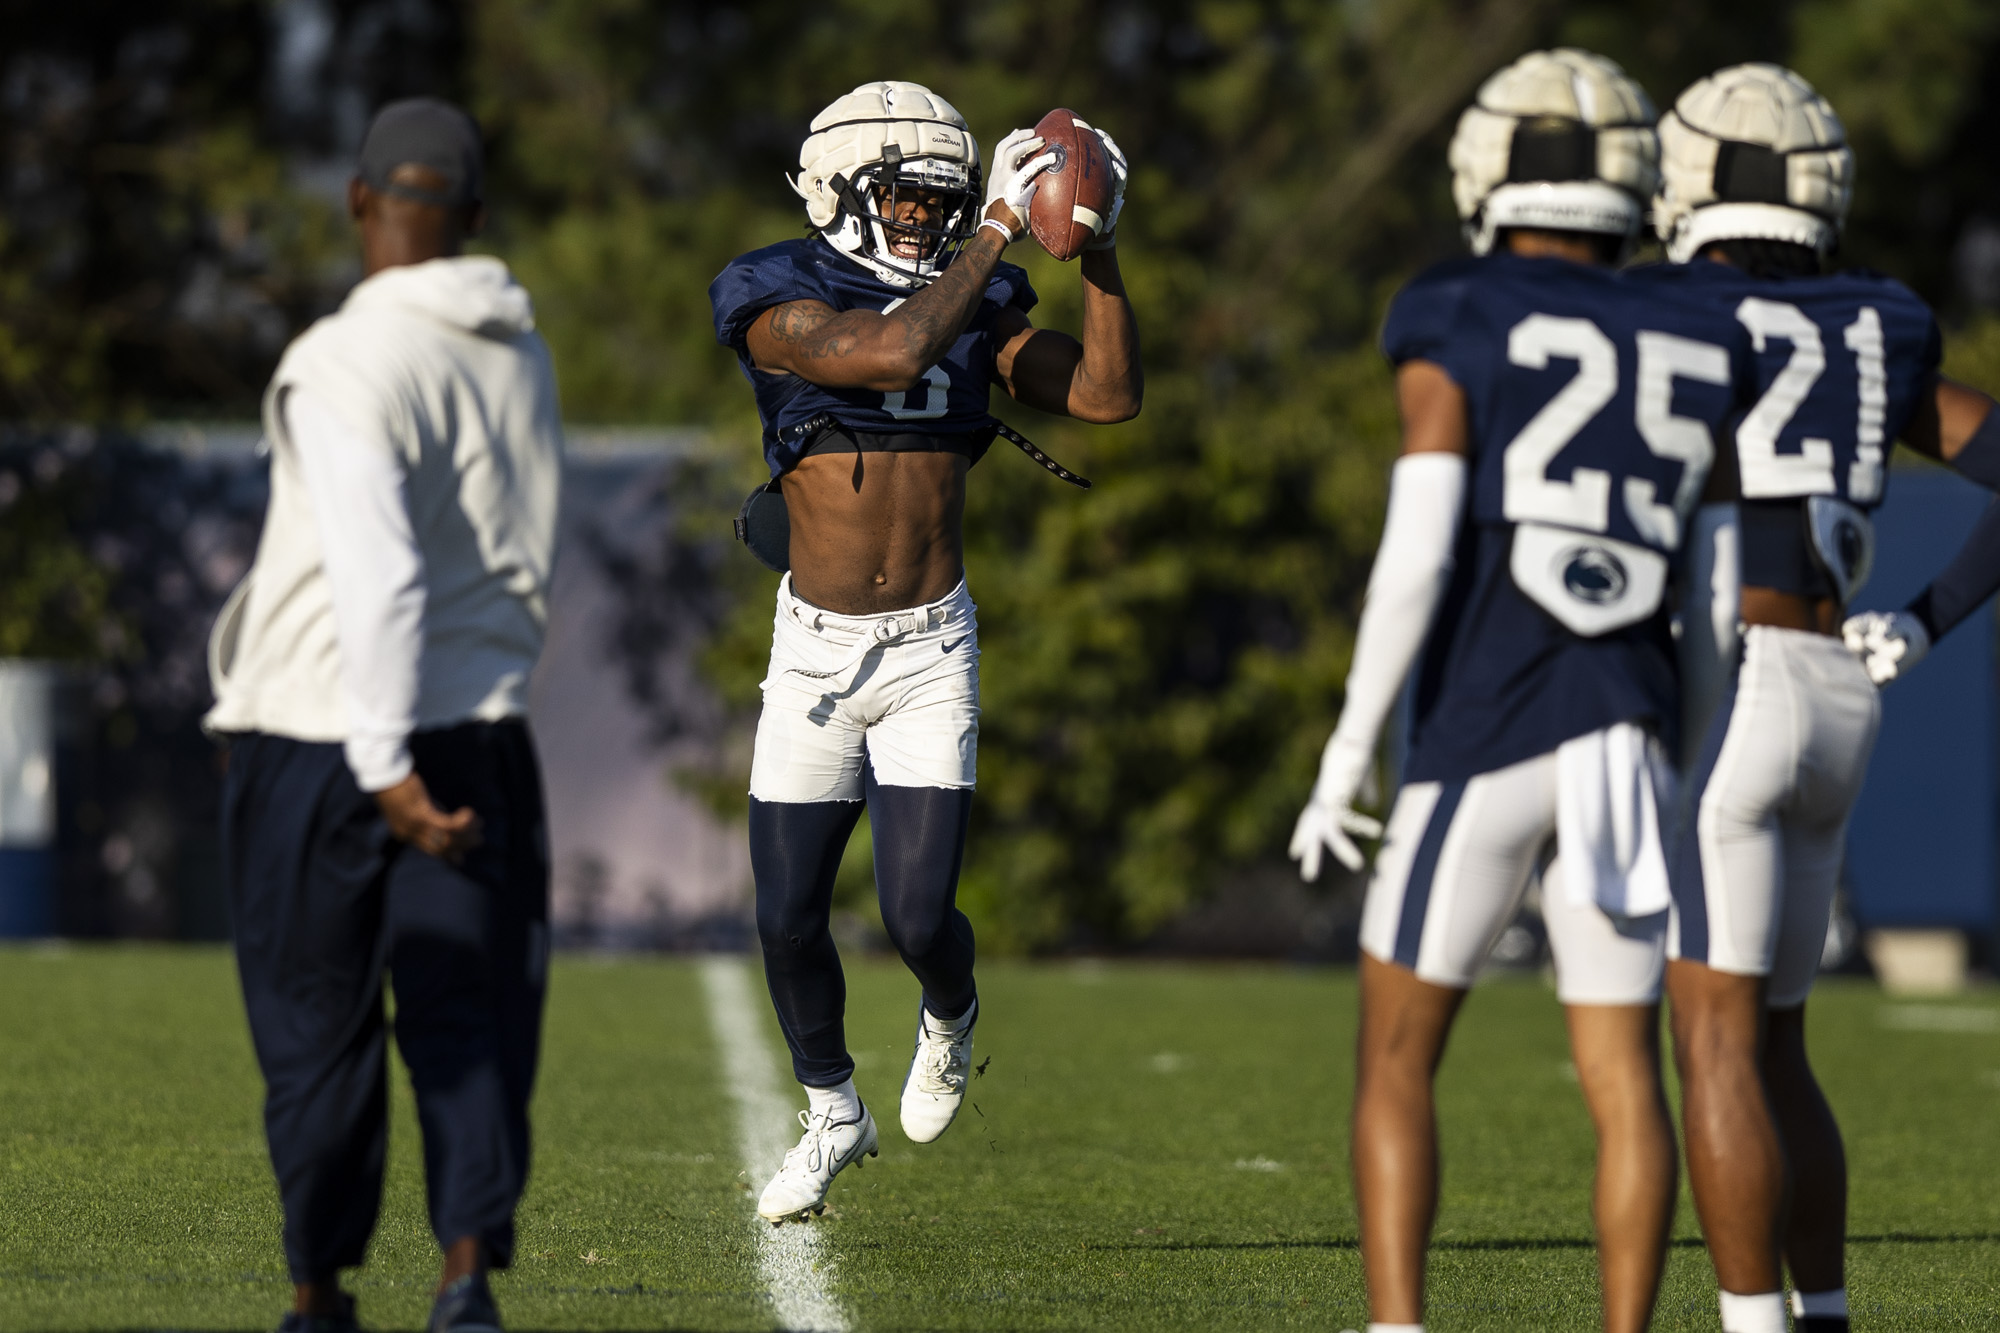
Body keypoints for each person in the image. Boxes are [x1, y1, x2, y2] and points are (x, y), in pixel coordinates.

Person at [1289, 49, 1754, 1333]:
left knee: (1394, 1056)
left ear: (1493, 170)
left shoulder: (1453, 305)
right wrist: (1690, 751)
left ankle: (1397, 1327)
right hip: (1632, 729)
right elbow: (1712, 593)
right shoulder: (1701, 327)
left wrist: (1346, 748)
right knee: (1621, 1078)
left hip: (1485, 726)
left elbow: (1416, 553)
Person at [707, 81, 1141, 1223]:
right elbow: (893, 352)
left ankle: (949, 1016)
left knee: (913, 915)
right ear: (838, 190)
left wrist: (1093, 251)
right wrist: (998, 225)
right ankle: (831, 1106)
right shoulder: (774, 291)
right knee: (787, 913)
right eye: (900, 195)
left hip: (927, 645)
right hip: (813, 649)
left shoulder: (978, 295)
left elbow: (1105, 394)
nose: (918, 218)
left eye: (939, 202)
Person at [1645, 64, 2000, 1333]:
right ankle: (1825, 1314)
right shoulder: (1878, 320)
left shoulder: (1662, 308)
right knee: (1779, 1040)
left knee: (1715, 1047)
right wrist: (1923, 614)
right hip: (1839, 684)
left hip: (1726, 689)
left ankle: (1751, 1325)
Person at [206, 98, 562, 1333]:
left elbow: (381, 573)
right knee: (473, 1020)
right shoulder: (521, 350)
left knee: (316, 1027)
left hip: (328, 740)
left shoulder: (341, 358)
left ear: (359, 201)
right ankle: (464, 1281)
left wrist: (379, 763)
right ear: (470, 220)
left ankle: (320, 1294)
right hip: (480, 732)